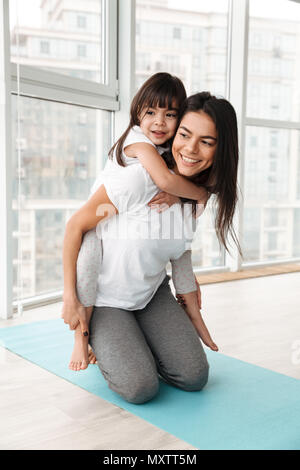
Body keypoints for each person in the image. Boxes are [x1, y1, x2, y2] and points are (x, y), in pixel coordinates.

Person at [62, 90, 240, 404]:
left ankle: (135, 342)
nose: (191, 149)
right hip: (105, 300)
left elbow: (180, 251)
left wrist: (193, 307)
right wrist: (70, 296)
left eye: (207, 142)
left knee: (194, 377)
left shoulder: (195, 196)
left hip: (150, 294)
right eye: (184, 135)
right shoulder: (137, 179)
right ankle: (105, 345)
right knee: (140, 388)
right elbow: (76, 226)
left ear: (220, 150)